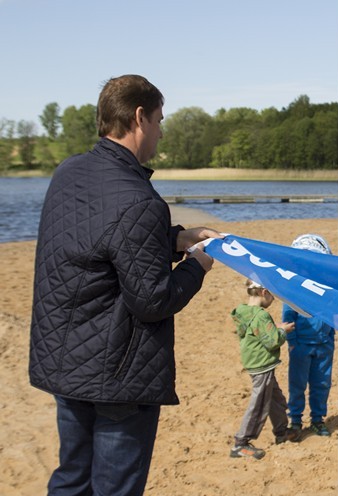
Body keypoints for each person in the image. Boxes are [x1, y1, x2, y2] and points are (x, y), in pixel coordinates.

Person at [28, 74, 221, 495]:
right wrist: (198, 265)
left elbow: (98, 241)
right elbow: (153, 300)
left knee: (71, 479)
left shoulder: (69, 173)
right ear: (139, 118)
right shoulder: (140, 199)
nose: (160, 131)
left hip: (64, 363)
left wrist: (175, 238)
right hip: (117, 379)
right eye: (159, 120)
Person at [230, 279, 297, 459]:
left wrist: (275, 328)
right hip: (262, 365)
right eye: (272, 296)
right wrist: (283, 331)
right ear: (264, 292)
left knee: (276, 400)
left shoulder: (244, 311)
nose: (273, 300)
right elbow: (272, 341)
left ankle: (282, 432)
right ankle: (241, 443)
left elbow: (257, 332)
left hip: (255, 363)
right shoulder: (261, 315)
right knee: (259, 405)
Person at [282, 234, 336, 437]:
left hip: (324, 345)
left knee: (321, 384)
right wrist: (293, 343)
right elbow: (288, 315)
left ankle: (317, 419)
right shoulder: (293, 288)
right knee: (297, 384)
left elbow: (332, 314)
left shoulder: (327, 287)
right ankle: (295, 420)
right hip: (301, 346)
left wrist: (330, 338)